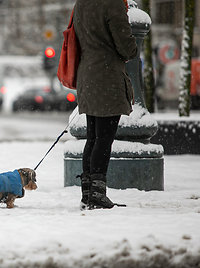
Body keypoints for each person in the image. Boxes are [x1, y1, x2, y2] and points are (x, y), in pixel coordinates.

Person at [73, 0, 137, 210]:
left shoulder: (82, 3)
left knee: (92, 137)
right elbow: (126, 46)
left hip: (87, 74)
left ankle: (88, 192)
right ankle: (98, 194)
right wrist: (132, 49)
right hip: (107, 76)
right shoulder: (113, 3)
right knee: (104, 138)